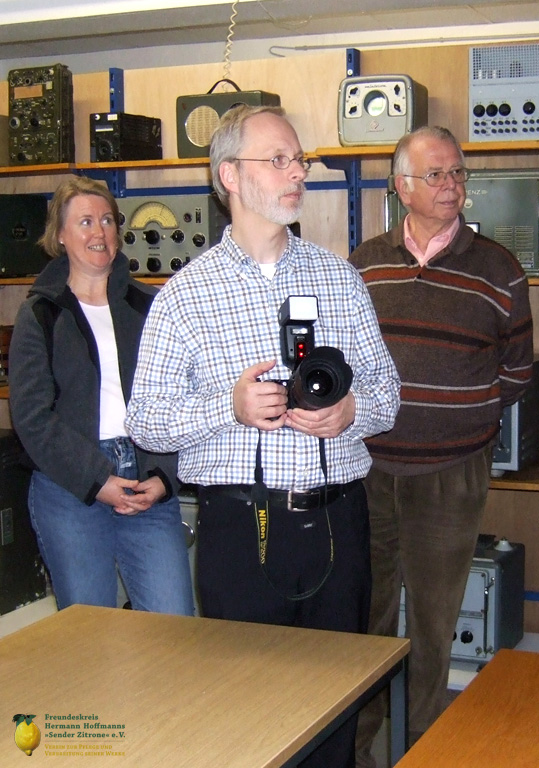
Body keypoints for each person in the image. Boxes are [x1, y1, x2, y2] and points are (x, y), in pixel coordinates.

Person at [125, 105, 400, 768]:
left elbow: (389, 394)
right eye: (278, 160)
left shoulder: (339, 278)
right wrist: (228, 407)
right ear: (230, 175)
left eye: (298, 159)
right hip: (239, 532)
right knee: (247, 714)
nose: (297, 172)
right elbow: (146, 419)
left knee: (335, 708)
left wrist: (351, 411)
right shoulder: (184, 296)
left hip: (338, 525)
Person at [349, 125, 533, 764]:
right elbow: (343, 357)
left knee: (434, 622)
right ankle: (357, 746)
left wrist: (463, 416)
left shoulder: (499, 269)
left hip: (452, 473)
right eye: (436, 174)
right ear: (402, 187)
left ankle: (423, 749)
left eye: (458, 172)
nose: (452, 185)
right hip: (367, 469)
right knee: (367, 617)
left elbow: (517, 371)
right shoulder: (363, 263)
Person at [8, 176, 193, 615]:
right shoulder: (40, 313)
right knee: (89, 632)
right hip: (69, 489)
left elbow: (183, 398)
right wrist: (97, 480)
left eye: (107, 220)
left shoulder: (151, 306)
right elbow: (32, 416)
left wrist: (164, 477)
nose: (99, 232)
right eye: (85, 222)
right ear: (60, 235)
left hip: (147, 480)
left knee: (174, 626)